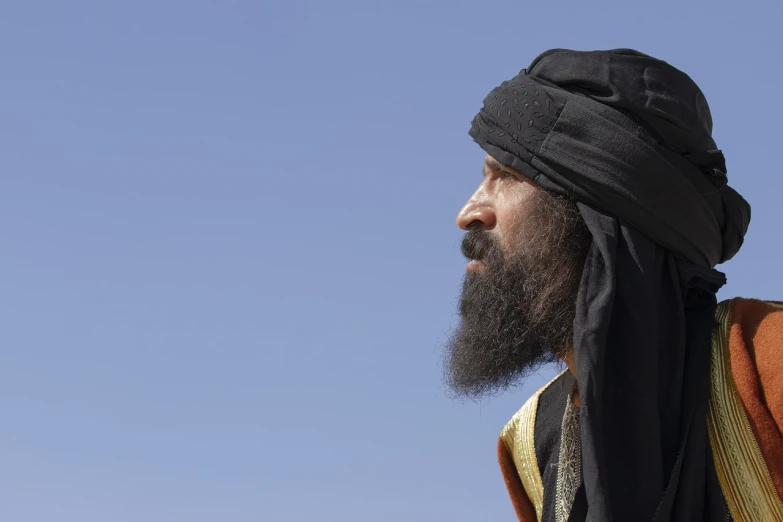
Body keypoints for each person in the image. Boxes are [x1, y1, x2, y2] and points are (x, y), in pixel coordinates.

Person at [444, 48, 783, 522]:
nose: (469, 213)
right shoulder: (530, 439)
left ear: (595, 213)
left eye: (507, 174)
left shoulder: (766, 357)